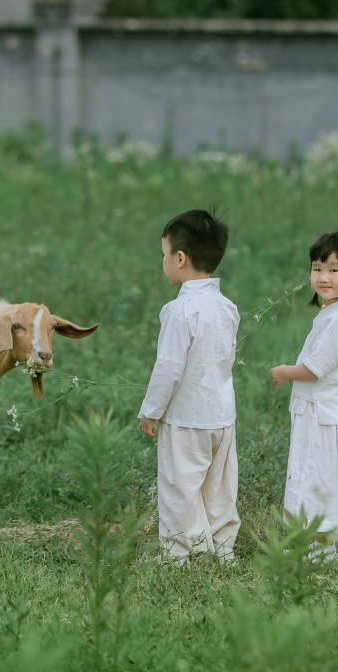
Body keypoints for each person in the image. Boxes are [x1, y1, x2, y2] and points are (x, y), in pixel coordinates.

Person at [138, 209, 241, 563]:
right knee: (219, 489)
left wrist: (151, 411)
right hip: (221, 416)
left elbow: (168, 368)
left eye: (163, 254)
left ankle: (182, 554)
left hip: (185, 417)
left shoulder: (178, 311)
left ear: (179, 258)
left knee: (180, 488)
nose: (163, 261)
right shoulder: (228, 308)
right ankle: (223, 549)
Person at [269, 232, 338, 562]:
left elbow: (316, 369)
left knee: (315, 477)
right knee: (336, 477)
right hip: (334, 412)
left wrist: (286, 371)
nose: (323, 277)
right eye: (317, 269)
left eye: (334, 270)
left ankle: (314, 548)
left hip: (321, 414)